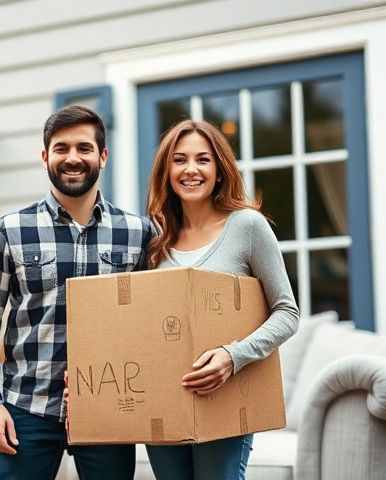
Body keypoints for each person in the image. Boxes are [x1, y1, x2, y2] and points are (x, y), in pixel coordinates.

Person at [0, 105, 152, 480]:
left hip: (110, 410)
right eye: (62, 148)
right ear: (45, 156)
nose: (73, 158)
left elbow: (151, 324)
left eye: (84, 148)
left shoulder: (139, 233)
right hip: (27, 409)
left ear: (103, 156)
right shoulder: (9, 230)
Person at [144, 120, 299, 480]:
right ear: (166, 171)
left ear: (219, 169)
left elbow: (287, 312)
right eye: (179, 160)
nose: (191, 169)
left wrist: (233, 356)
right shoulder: (157, 242)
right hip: (166, 398)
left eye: (203, 159)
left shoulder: (247, 226)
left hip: (227, 395)